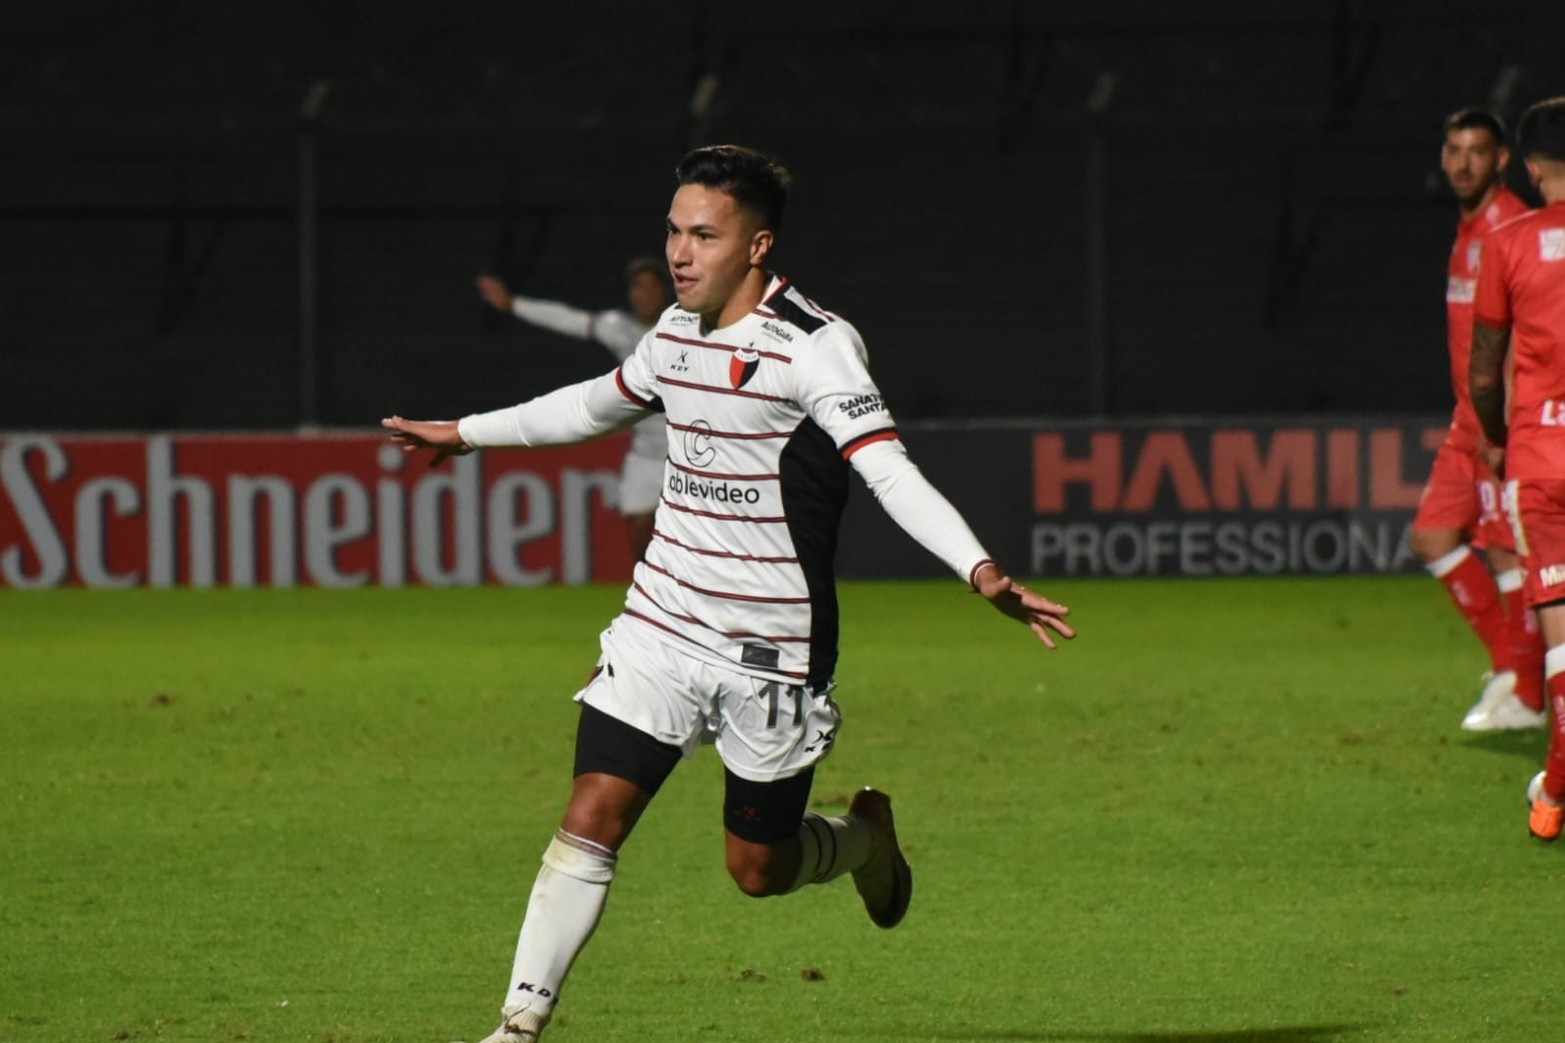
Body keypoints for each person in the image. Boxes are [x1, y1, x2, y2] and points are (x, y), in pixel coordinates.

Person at [385, 144, 1076, 1043]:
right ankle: (518, 1027)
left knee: (757, 868)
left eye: (701, 235)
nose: (678, 252)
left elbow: (889, 472)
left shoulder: (815, 347)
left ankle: (865, 839)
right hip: (662, 623)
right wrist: (468, 433)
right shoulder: (675, 331)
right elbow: (595, 403)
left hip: (771, 647)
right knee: (590, 814)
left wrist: (978, 568)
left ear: (755, 247)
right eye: (672, 230)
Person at [1409, 106, 1543, 731]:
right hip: (1469, 415)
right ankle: (1513, 669)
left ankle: (1526, 690)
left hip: (1503, 418)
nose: (1463, 163)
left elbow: (1523, 335)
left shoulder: (1511, 226)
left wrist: (1502, 428)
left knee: (1509, 555)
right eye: (1454, 150)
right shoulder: (1468, 231)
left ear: (1503, 160)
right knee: (1434, 538)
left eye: (1477, 151)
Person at [1469, 96, 1565, 838]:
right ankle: (1555, 785)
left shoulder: (1506, 242)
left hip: (1541, 458)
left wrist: (1498, 434)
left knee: (1561, 636)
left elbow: (1481, 370)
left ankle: (1557, 787)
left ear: (1530, 168)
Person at [477, 258, 672, 562]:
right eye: (638, 286)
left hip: (688, 453)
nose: (645, 294)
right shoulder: (618, 328)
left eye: (653, 286)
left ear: (665, 292)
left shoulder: (684, 326)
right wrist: (514, 304)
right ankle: (655, 601)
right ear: (630, 293)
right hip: (646, 455)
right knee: (639, 533)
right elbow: (569, 319)